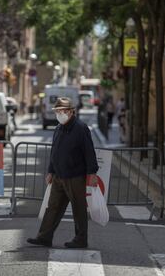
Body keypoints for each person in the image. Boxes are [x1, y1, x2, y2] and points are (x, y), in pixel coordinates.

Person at [27, 97, 99, 248]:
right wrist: (50, 171)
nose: (60, 114)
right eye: (58, 111)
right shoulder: (58, 128)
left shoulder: (81, 128)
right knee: (52, 207)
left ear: (72, 112)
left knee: (78, 208)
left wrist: (92, 173)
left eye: (63, 111)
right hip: (59, 176)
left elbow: (89, 152)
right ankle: (44, 237)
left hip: (75, 176)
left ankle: (81, 239)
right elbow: (55, 151)